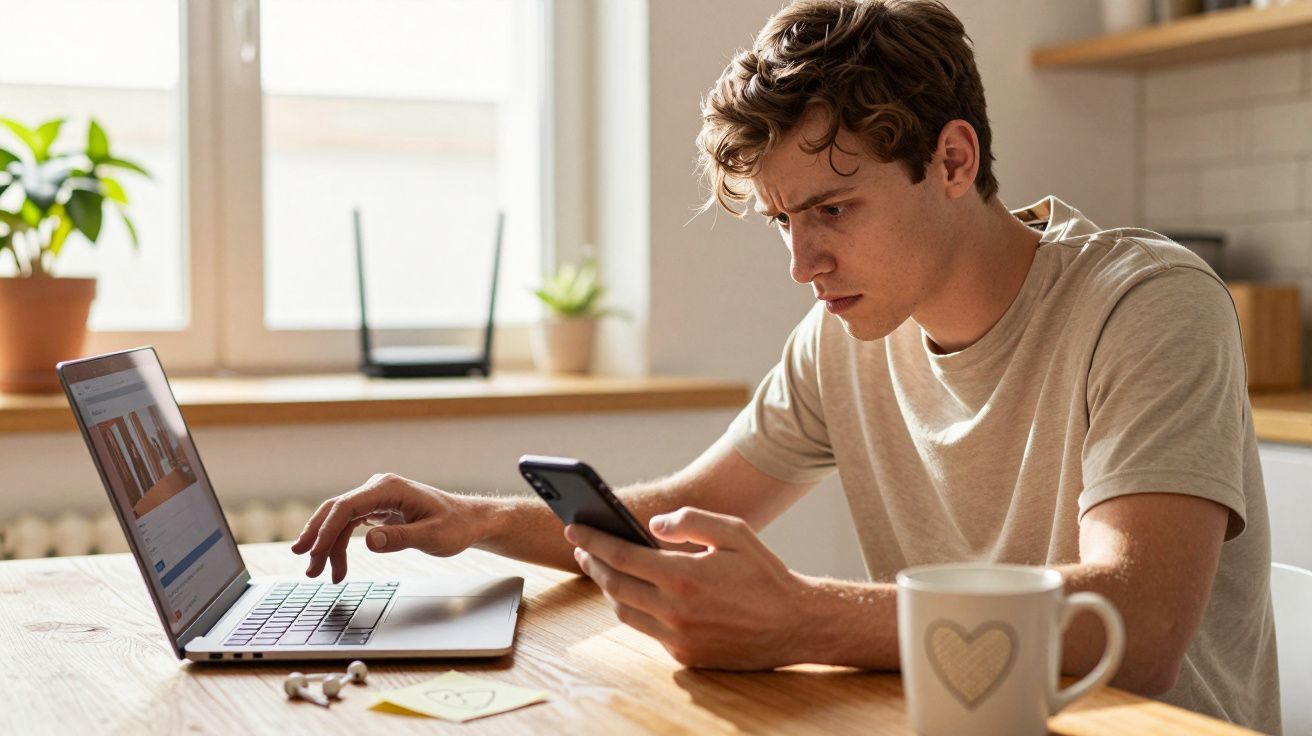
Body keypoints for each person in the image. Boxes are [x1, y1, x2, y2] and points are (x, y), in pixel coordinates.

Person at [291, 0, 1278, 730]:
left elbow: (1138, 623)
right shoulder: (843, 333)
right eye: (781, 220)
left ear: (951, 159)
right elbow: (680, 510)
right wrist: (476, 520)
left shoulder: (1147, 303)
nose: (801, 264)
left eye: (832, 211)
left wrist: (802, 617)